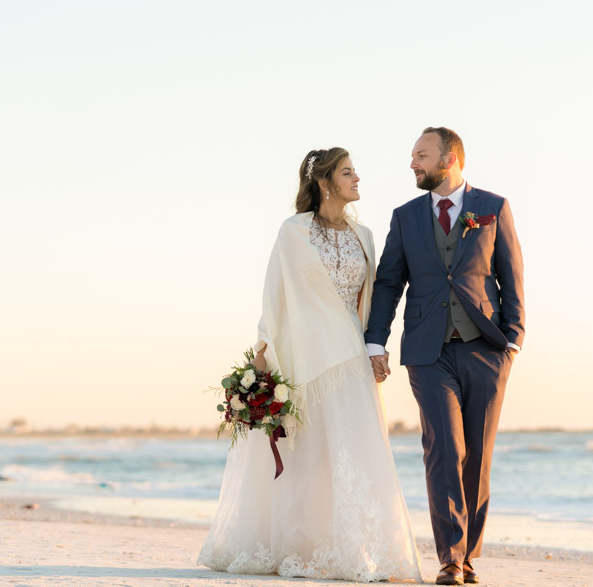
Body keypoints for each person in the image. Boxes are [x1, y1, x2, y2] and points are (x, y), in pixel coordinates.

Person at [197, 147, 422, 583]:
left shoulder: (365, 236)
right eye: (348, 172)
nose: (357, 179)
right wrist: (261, 355)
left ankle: (353, 548)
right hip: (306, 356)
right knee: (308, 453)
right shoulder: (293, 231)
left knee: (352, 450)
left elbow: (370, 300)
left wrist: (375, 350)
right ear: (324, 182)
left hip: (350, 356)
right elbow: (275, 295)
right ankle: (303, 547)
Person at [366, 127, 526, 585]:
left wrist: (512, 340)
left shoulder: (493, 208)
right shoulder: (406, 217)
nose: (412, 163)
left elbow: (512, 276)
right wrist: (375, 341)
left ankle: (468, 556)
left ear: (450, 158)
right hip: (427, 351)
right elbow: (389, 282)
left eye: (421, 155)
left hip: (487, 349)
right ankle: (450, 559)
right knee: (444, 448)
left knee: (478, 454)